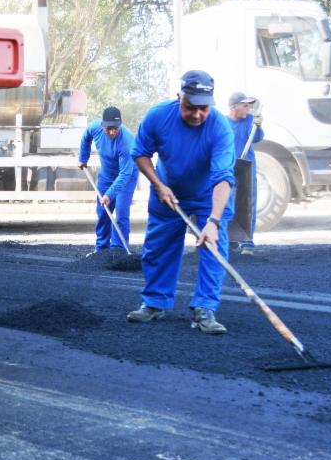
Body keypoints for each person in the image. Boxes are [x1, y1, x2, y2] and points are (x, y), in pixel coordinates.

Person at [127, 70, 236, 334]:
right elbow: (141, 153)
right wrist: (158, 184)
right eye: (190, 108)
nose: (197, 114)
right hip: (167, 192)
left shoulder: (220, 127)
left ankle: (205, 309)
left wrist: (213, 221)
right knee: (158, 248)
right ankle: (155, 303)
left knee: (213, 247)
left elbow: (223, 178)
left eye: (203, 108)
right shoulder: (157, 116)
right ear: (179, 99)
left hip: (207, 196)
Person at [78, 106, 139, 255]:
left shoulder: (127, 142)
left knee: (122, 211)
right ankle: (101, 248)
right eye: (109, 128)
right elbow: (86, 138)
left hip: (127, 175)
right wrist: (83, 158)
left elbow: (125, 174)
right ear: (102, 125)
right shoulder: (94, 127)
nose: (112, 132)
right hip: (106, 175)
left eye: (115, 128)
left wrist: (109, 194)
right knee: (103, 211)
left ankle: (118, 250)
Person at [227, 92, 264, 255]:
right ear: (234, 107)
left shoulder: (249, 120)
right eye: (244, 105)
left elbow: (257, 138)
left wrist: (259, 124)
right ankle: (231, 240)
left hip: (246, 167)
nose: (247, 109)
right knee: (228, 202)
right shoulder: (223, 123)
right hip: (228, 167)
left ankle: (247, 241)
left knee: (247, 203)